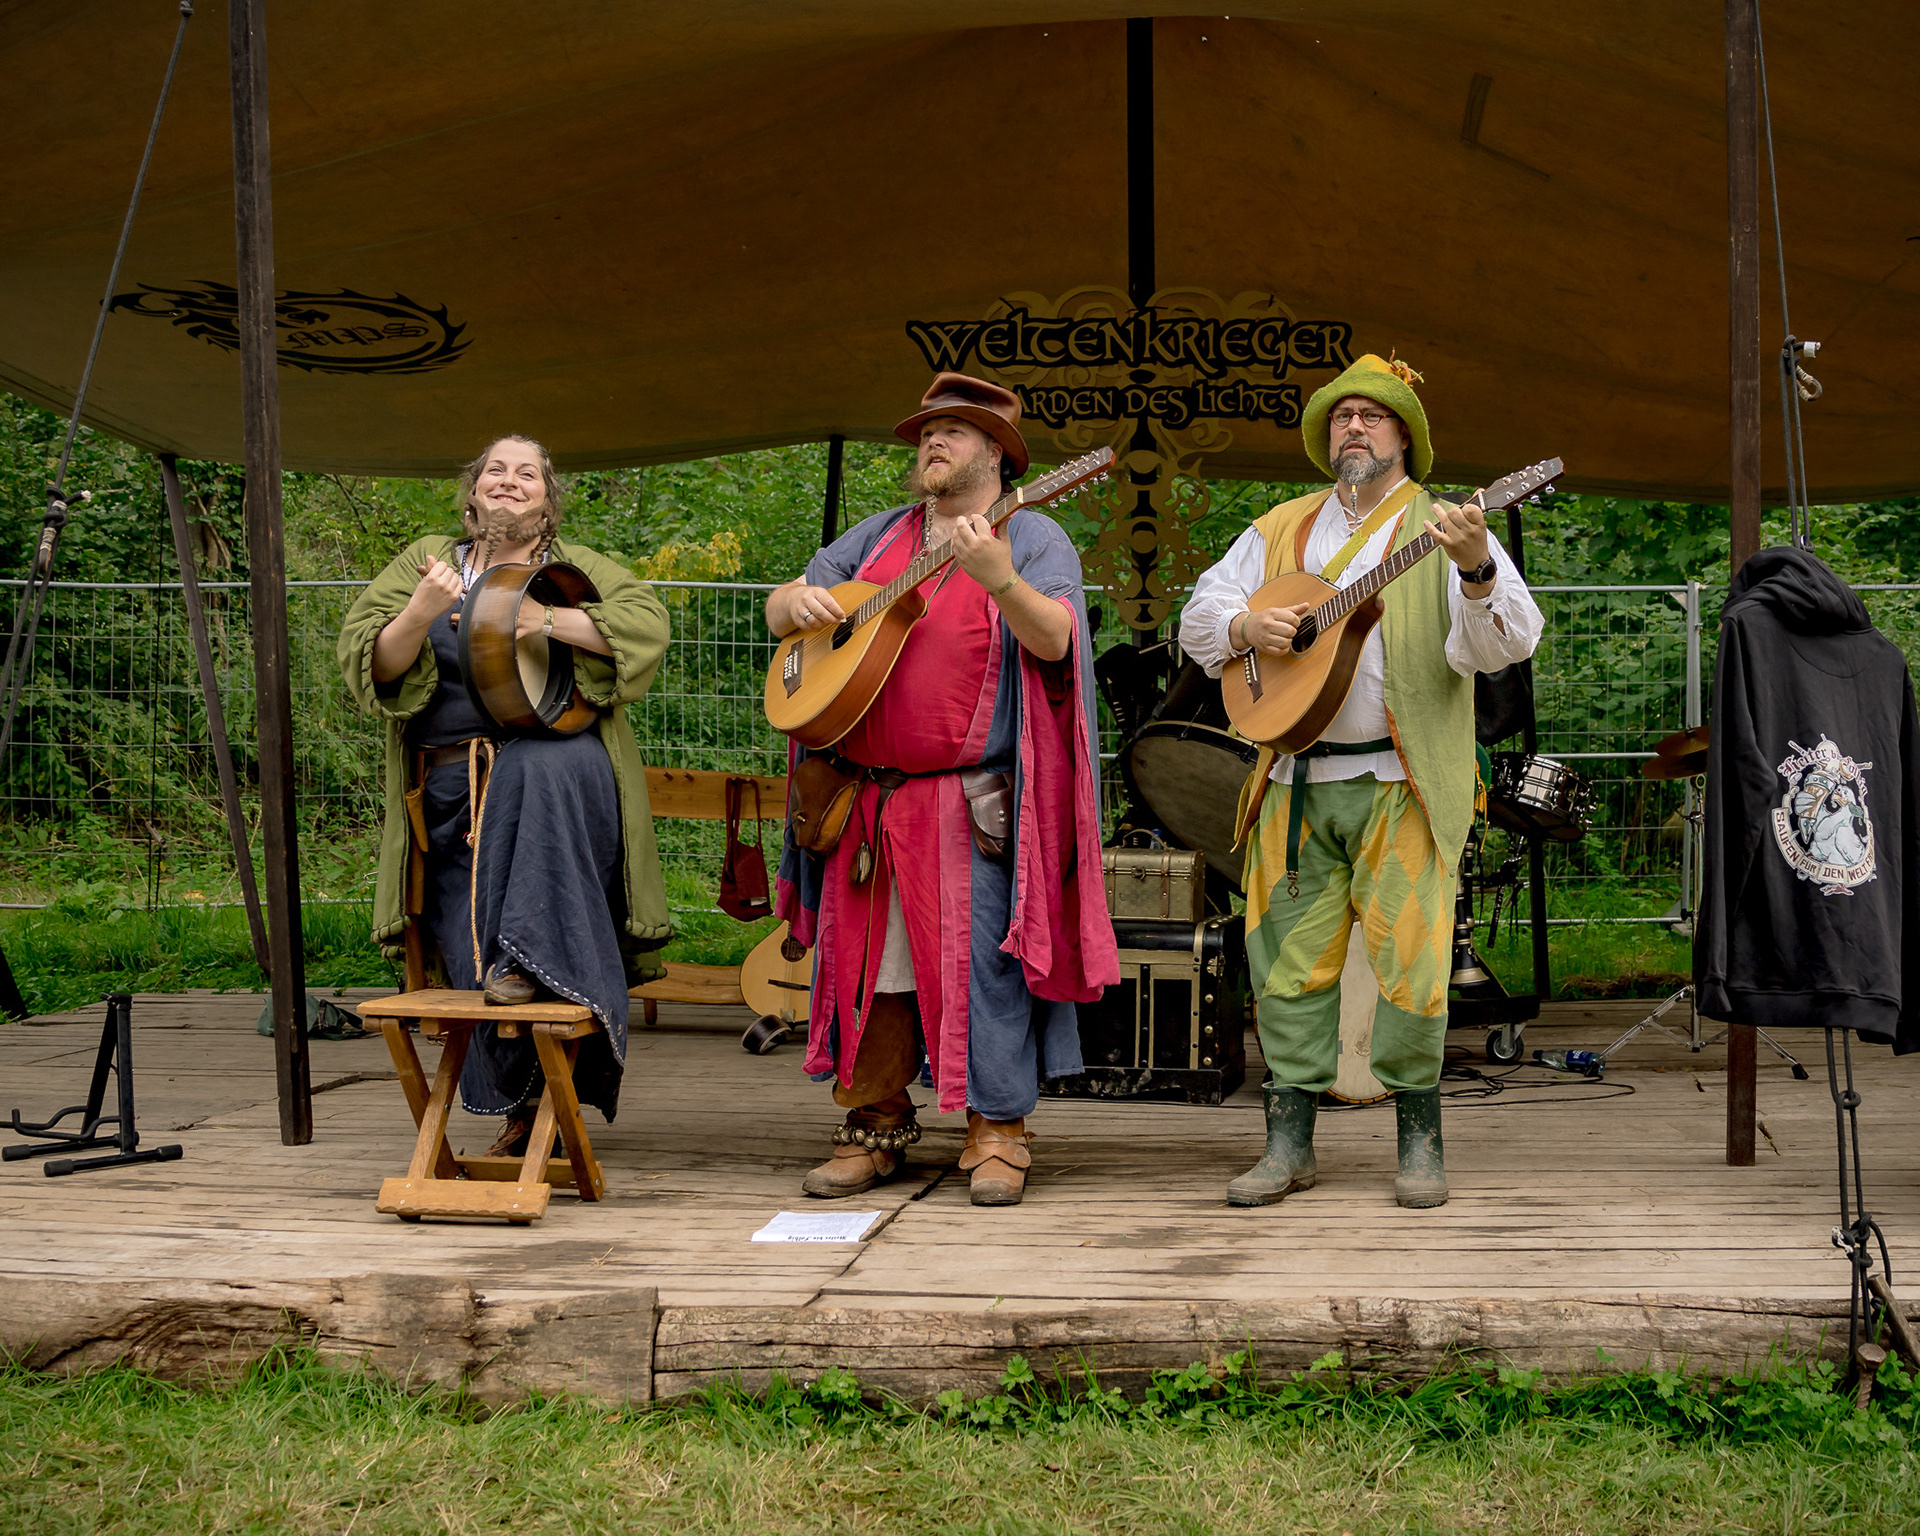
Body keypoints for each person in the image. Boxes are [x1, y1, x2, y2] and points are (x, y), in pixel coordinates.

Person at [1178, 354, 1543, 1208]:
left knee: (1412, 968)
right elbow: (1200, 619)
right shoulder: (1277, 529)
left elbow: (1505, 644)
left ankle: (1419, 1145)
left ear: (1404, 436)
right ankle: (1288, 1147)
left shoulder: (1447, 526)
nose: (1354, 426)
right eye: (1341, 416)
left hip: (1401, 784)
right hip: (1294, 782)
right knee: (1284, 968)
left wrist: (1478, 566)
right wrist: (1244, 622)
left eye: (1371, 416)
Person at [769, 373, 1117, 1206]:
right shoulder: (877, 537)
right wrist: (793, 604)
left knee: (978, 965)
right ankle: (873, 1121)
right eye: (927, 431)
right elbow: (786, 611)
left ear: (996, 452)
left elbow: (1058, 640)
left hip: (967, 801)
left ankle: (996, 1129)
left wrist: (998, 577)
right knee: (868, 966)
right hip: (865, 800)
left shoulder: (1034, 537)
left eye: (954, 431)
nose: (933, 441)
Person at [338, 434, 672, 1153]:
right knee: (468, 945)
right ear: (473, 490)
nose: (510, 482)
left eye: (527, 474)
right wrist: (420, 610)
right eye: (497, 470)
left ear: (548, 499)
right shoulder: (428, 560)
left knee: (536, 765)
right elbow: (371, 660)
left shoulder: (576, 569)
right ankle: (527, 1112)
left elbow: (646, 626)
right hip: (455, 792)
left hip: (560, 782)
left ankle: (534, 1001)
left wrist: (545, 620)